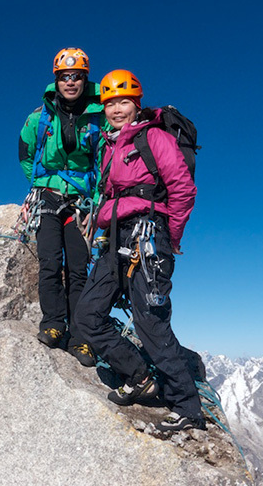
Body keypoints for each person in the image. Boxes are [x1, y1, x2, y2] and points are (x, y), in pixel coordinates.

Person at [74, 69, 205, 432]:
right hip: (115, 238)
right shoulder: (110, 145)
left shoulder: (154, 137)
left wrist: (172, 237)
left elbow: (182, 187)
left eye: (124, 101)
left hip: (148, 236)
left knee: (151, 322)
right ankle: (138, 376)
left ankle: (189, 411)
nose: (116, 109)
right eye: (110, 102)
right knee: (87, 316)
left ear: (137, 103)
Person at [18, 47, 104, 368]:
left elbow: (106, 161)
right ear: (57, 79)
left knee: (79, 268)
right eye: (64, 76)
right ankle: (54, 323)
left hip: (82, 199)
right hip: (48, 196)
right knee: (50, 261)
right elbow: (26, 153)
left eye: (77, 76)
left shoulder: (99, 117)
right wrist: (43, 183)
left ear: (85, 79)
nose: (70, 82)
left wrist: (96, 198)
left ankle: (81, 338)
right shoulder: (38, 119)